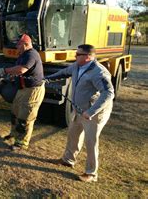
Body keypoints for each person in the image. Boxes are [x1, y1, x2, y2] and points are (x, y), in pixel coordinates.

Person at [45, 44, 114, 182]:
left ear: (88, 57)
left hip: (93, 113)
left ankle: (91, 173)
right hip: (79, 110)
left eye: (78, 54)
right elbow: (64, 72)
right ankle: (68, 160)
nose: (75, 56)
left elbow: (108, 93)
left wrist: (91, 111)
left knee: (91, 141)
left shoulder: (98, 72)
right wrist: (47, 78)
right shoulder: (77, 66)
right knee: (73, 134)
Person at [0, 33, 45, 151]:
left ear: (26, 44)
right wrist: (11, 77)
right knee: (15, 112)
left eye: (18, 45)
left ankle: (22, 143)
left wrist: (5, 70)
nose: (16, 48)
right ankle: (14, 134)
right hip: (22, 89)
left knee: (26, 116)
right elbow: (18, 70)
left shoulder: (32, 54)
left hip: (33, 90)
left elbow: (22, 69)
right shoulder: (22, 54)